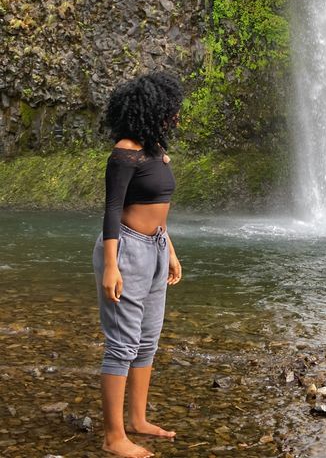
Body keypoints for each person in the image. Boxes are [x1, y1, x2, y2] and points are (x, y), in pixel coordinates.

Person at [92, 70, 184, 458]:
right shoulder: (125, 151)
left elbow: (158, 209)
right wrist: (111, 266)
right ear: (153, 108)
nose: (176, 116)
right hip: (127, 250)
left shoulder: (155, 151)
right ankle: (113, 438)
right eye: (171, 110)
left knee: (147, 341)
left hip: (156, 248)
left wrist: (171, 251)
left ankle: (138, 420)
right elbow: (113, 209)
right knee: (122, 344)